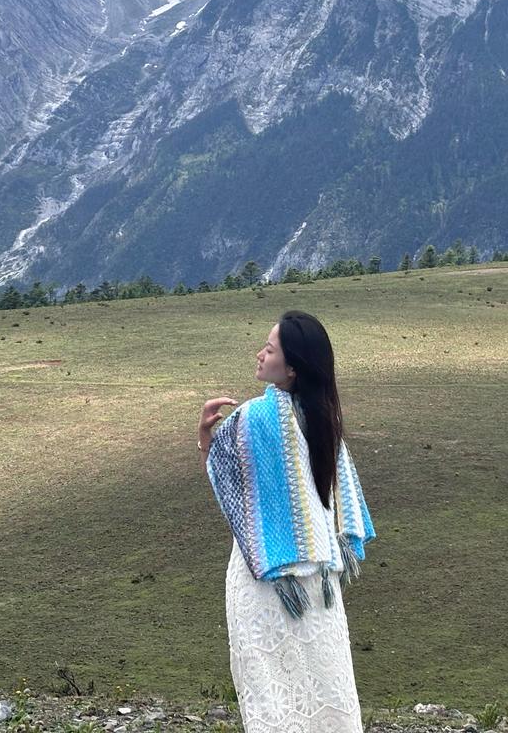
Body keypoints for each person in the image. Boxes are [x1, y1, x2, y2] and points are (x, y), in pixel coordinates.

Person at [198, 310, 376, 733]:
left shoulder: (252, 418)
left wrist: (206, 436)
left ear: (292, 366)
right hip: (319, 578)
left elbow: (228, 481)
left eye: (270, 349)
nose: (260, 354)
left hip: (263, 576)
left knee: (269, 684)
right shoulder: (324, 420)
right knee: (325, 680)